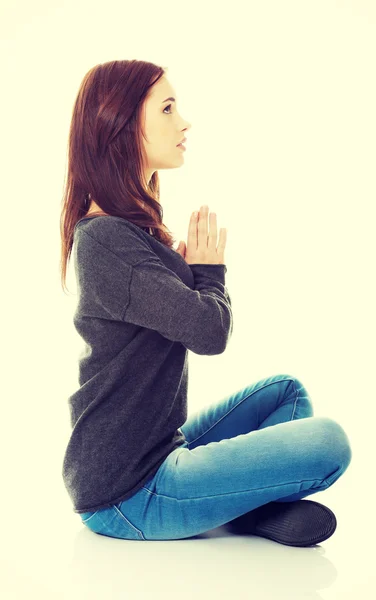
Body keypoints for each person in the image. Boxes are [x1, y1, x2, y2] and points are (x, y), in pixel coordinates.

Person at [60, 59, 352, 546]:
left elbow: (181, 315)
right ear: (122, 123)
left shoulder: (125, 231)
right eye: (168, 108)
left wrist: (186, 276)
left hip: (158, 449)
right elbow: (209, 333)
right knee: (329, 442)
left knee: (286, 392)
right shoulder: (105, 239)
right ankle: (242, 505)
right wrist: (209, 273)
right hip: (130, 493)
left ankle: (241, 507)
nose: (184, 122)